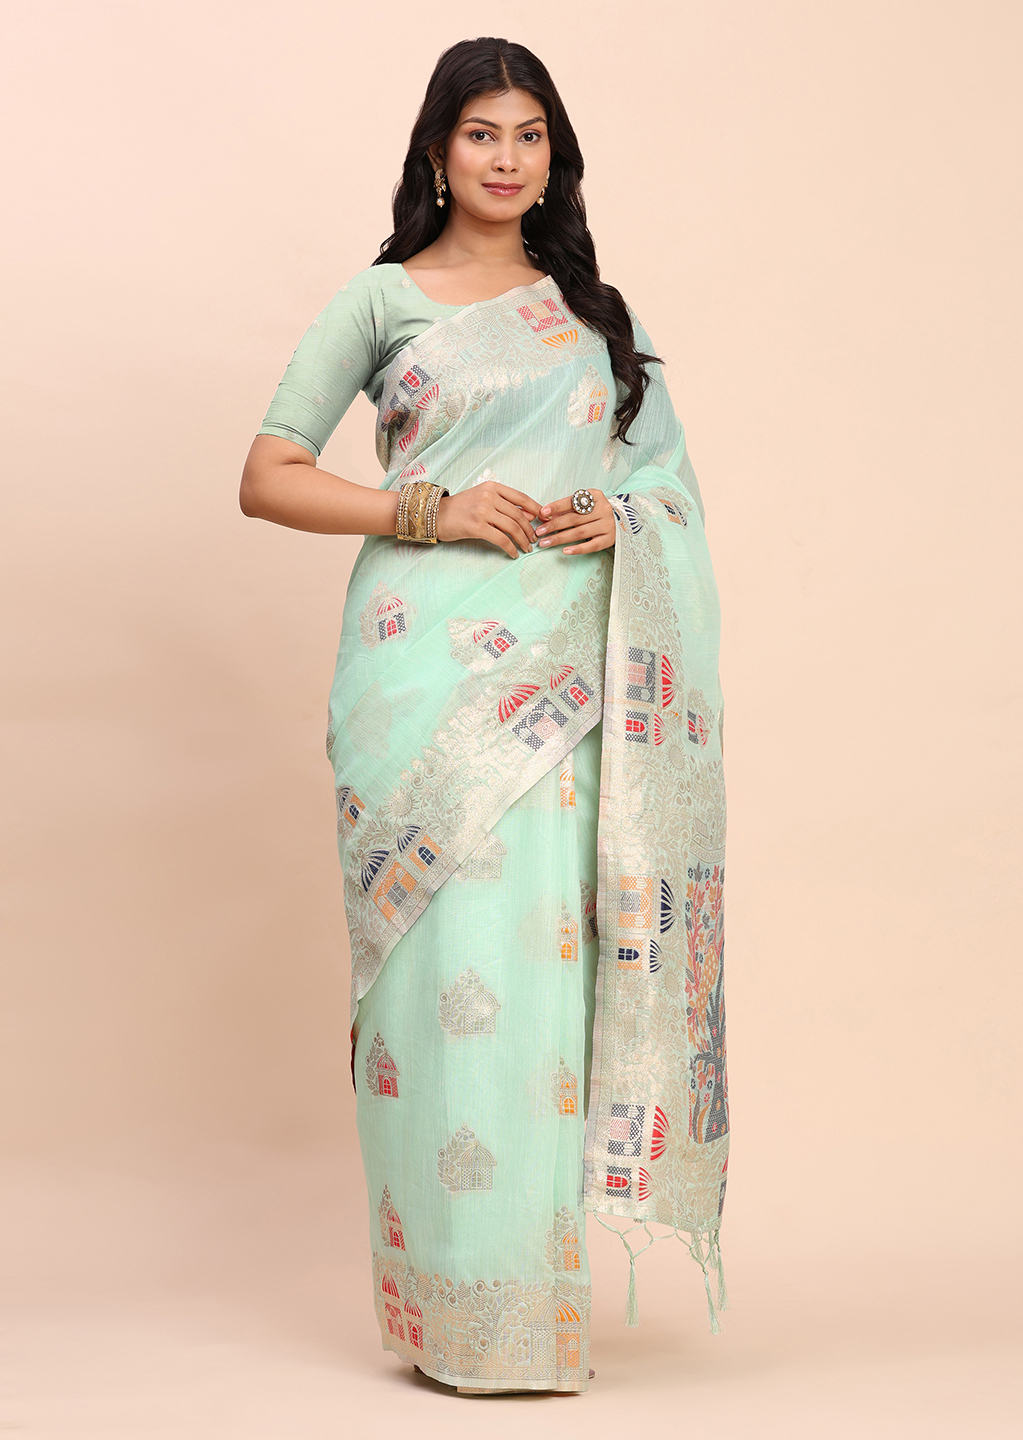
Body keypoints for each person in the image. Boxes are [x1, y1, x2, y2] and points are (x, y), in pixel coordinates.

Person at [240, 36, 729, 1397]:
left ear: (553, 156)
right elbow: (267, 473)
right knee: (434, 991)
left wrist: (619, 519)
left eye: (530, 135)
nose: (507, 159)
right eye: (481, 134)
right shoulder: (383, 299)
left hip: (561, 687)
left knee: (536, 987)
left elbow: (668, 490)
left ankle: (526, 1316)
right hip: (417, 684)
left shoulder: (592, 314)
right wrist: (428, 509)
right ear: (437, 151)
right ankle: (445, 1312)